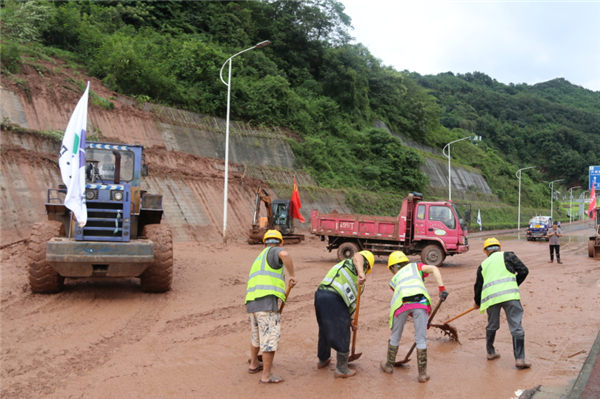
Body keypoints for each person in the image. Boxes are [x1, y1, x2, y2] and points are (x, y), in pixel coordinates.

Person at [380, 251, 449, 382]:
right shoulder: (415, 267)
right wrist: (441, 289)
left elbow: (406, 303)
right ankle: (422, 375)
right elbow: (434, 268)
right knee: (421, 339)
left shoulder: (394, 279)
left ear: (393, 267)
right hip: (421, 302)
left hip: (401, 303)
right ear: (405, 261)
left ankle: (389, 365)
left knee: (395, 336)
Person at [246, 230, 297, 384]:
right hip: (266, 303)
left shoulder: (259, 257)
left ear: (264, 243)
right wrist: (293, 275)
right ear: (281, 242)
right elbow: (285, 255)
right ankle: (266, 376)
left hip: (251, 303)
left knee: (256, 337)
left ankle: (254, 364)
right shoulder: (275, 250)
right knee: (269, 339)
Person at [314, 250, 374, 379]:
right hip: (332, 296)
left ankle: (323, 359)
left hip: (321, 295)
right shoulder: (350, 263)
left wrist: (352, 320)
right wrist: (361, 272)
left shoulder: (360, 285)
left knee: (325, 329)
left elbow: (353, 304)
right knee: (342, 331)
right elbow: (357, 255)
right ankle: (341, 369)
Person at [474, 238, 531, 369]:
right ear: (499, 248)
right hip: (510, 295)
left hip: (491, 298)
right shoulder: (508, 255)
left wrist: (477, 302)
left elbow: (478, 286)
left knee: (492, 324)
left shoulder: (483, 265)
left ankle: (490, 352)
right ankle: (520, 359)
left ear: (485, 251)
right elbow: (524, 270)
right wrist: (513, 283)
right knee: (516, 327)